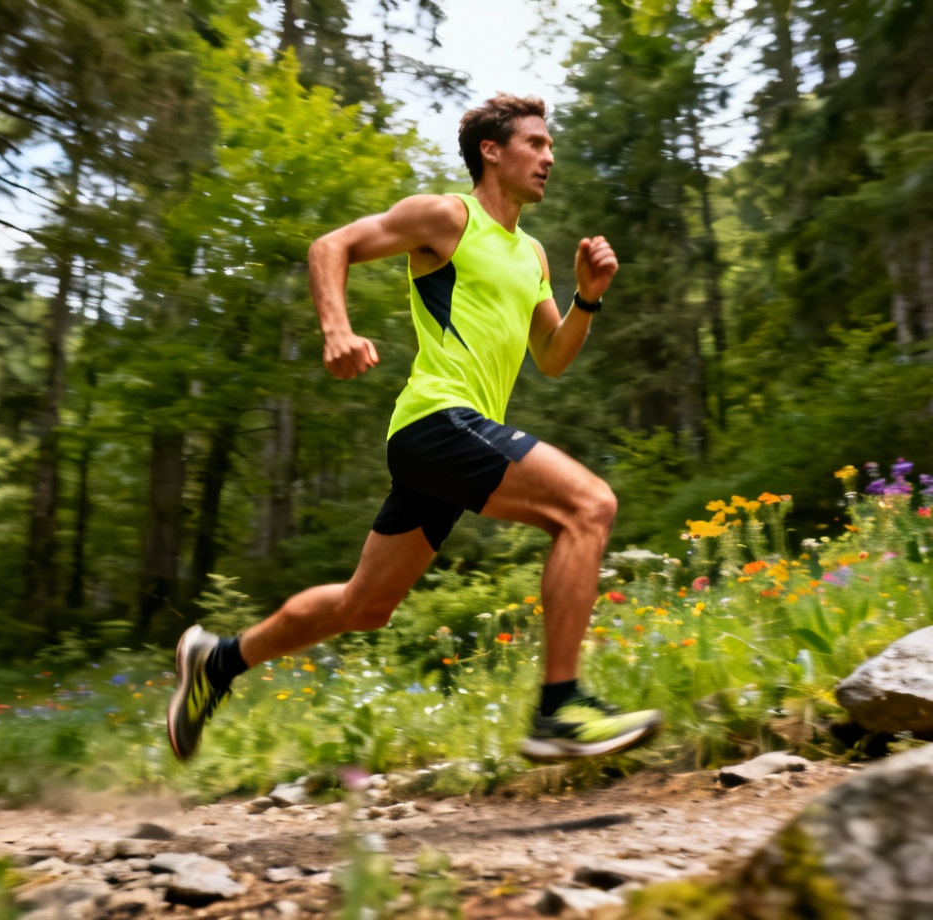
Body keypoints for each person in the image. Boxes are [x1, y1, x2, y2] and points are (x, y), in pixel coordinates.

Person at [167, 94, 662, 763]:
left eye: (550, 146)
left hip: (453, 438)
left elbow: (551, 358)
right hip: (438, 420)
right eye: (536, 143)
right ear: (492, 151)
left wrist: (588, 298)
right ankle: (561, 707)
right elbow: (330, 245)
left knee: (365, 604)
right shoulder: (447, 217)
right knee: (588, 506)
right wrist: (336, 331)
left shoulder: (535, 255)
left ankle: (217, 662)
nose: (549, 157)